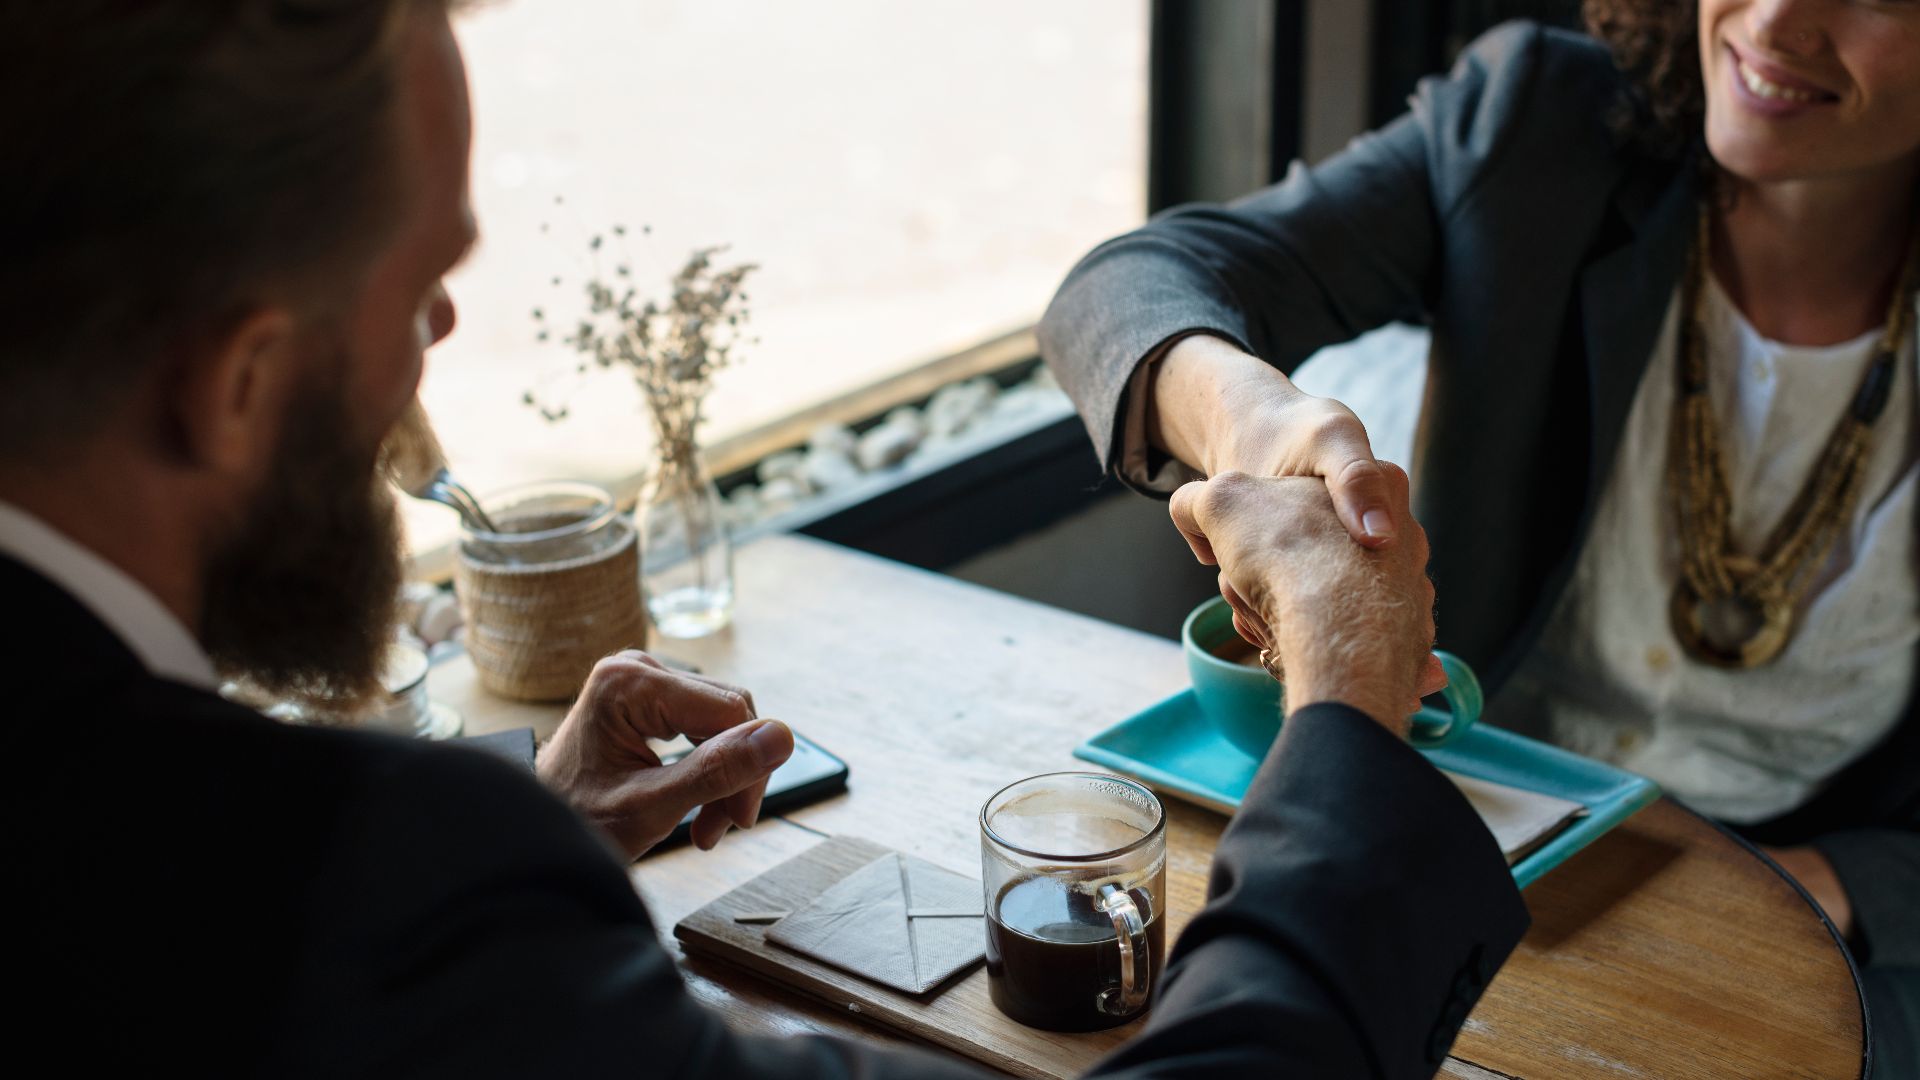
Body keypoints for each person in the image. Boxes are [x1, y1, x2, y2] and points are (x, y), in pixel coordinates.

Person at [5, 2, 1528, 1075]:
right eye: (418, 291)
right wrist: (1346, 698)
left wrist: (531, 835)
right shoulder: (350, 897)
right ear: (242, 383)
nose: (436, 341)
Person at [1039, 0, 1918, 1068]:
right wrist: (1253, 420)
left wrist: (1840, 884)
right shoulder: (1541, 123)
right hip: (1465, 871)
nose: (1778, 19)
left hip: (1822, 933)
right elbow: (1119, 291)